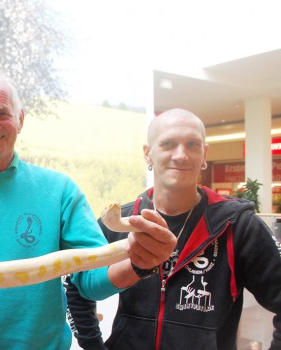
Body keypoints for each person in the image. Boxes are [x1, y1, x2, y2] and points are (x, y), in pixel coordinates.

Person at [0, 68, 177, 349]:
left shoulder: (60, 191)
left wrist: (139, 263)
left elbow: (93, 280)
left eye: (3, 113)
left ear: (20, 119)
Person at [66, 108, 281, 349]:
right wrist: (93, 345)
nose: (181, 155)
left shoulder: (238, 226)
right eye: (168, 144)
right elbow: (76, 286)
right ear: (148, 154)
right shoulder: (123, 221)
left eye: (192, 144)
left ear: (204, 154)